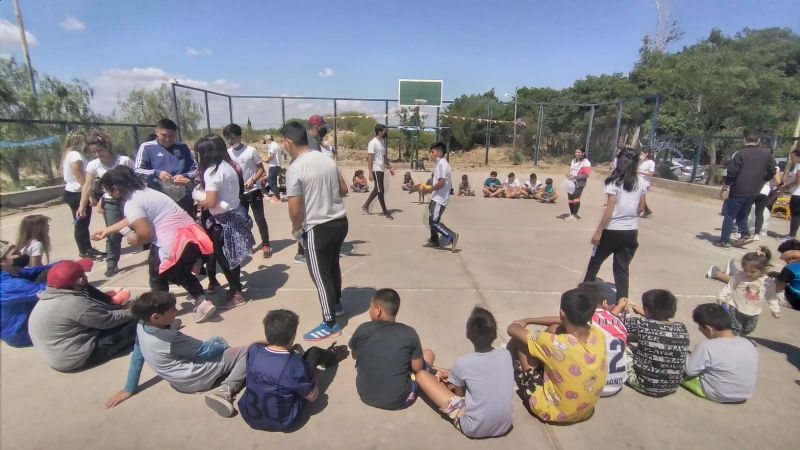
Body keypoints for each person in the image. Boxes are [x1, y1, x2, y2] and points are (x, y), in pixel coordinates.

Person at [93, 166, 216, 322]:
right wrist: (108, 230)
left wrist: (133, 239)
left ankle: (162, 315)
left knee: (157, 277)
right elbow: (133, 219)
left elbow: (144, 234)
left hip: (171, 243)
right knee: (180, 273)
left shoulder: (132, 203)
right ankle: (202, 302)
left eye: (108, 190)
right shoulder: (147, 193)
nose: (108, 194)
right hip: (190, 237)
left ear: (116, 188)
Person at [104, 291, 248, 417]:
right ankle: (226, 390)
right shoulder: (171, 338)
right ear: (156, 317)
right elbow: (208, 351)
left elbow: (137, 357)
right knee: (242, 350)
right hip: (196, 379)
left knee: (217, 345)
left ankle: (233, 369)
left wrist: (129, 388)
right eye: (171, 310)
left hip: (178, 383)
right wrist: (223, 347)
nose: (176, 310)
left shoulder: (141, 325)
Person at [282, 121, 350, 341]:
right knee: (332, 266)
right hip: (339, 222)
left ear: (288, 142)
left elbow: (295, 208)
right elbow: (343, 189)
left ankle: (329, 322)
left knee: (320, 276)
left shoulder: (295, 168)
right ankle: (336, 303)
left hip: (317, 227)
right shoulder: (327, 159)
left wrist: (295, 228)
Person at [506, 288, 607, 424]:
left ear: (562, 314)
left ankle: (530, 373)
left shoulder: (556, 343)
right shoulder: (599, 335)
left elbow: (512, 329)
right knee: (555, 328)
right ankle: (544, 363)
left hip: (552, 412)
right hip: (585, 411)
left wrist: (525, 321)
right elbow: (559, 322)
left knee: (520, 341)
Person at [238, 309, 349, 431]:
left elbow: (258, 346)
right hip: (284, 421)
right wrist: (314, 377)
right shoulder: (296, 367)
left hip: (248, 415)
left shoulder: (254, 350)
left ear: (267, 333)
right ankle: (334, 355)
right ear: (293, 336)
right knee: (313, 352)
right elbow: (313, 397)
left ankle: (292, 354)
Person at [413, 307, 513, 439]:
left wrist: (448, 383)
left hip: (473, 428)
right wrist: (453, 374)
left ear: (468, 333)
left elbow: (460, 398)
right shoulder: (506, 354)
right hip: (505, 425)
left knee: (422, 376)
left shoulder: (463, 363)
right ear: (494, 334)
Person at [28, 259, 136, 371]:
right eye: (83, 274)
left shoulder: (46, 298)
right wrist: (135, 311)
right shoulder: (74, 303)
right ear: (79, 281)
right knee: (137, 322)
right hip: (75, 358)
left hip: (56, 353)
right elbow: (110, 320)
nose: (86, 276)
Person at [195, 134, 255, 307]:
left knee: (223, 258)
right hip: (234, 214)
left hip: (223, 220)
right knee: (232, 256)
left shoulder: (212, 172)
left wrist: (199, 199)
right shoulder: (229, 167)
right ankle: (235, 290)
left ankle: (236, 293)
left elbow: (211, 202)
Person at [349, 288, 434, 410]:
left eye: (370, 307)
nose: (369, 310)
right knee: (429, 354)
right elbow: (418, 368)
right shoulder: (409, 333)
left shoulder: (362, 329)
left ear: (378, 310)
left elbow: (355, 355)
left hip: (365, 394)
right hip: (399, 400)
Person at [583, 149, 646, 300]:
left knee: (595, 262)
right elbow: (641, 208)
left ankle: (584, 295)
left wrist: (598, 232)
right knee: (622, 269)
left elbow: (609, 209)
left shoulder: (614, 182)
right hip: (631, 231)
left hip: (612, 230)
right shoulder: (641, 182)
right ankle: (622, 303)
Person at [77, 131, 135, 276]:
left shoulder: (124, 160)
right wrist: (82, 205)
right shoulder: (93, 165)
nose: (97, 154)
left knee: (140, 227)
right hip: (111, 202)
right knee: (112, 233)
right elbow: (87, 185)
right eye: (94, 152)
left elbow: (136, 179)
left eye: (100, 150)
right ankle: (111, 264)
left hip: (129, 199)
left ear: (108, 146)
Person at [618, 289, 689, 397]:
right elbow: (656, 330)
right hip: (672, 386)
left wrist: (620, 308)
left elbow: (615, 324)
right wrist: (645, 313)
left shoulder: (641, 324)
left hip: (644, 384)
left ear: (646, 310)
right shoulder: (681, 328)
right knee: (654, 340)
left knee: (618, 343)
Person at [682, 303, 758, 403]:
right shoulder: (749, 343)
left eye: (700, 328)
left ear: (709, 329)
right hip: (744, 395)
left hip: (718, 393)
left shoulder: (707, 346)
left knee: (678, 365)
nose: (700, 330)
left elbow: (689, 371)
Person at [715, 130, 776, 248]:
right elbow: (773, 171)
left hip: (739, 188)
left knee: (729, 215)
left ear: (745, 141)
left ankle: (724, 240)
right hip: (754, 190)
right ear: (758, 141)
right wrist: (764, 179)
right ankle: (745, 233)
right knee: (743, 214)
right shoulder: (766, 154)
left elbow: (732, 172)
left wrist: (726, 186)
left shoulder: (740, 154)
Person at [133, 118, 198, 218]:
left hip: (183, 198)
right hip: (158, 199)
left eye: (171, 136)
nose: (168, 139)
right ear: (157, 133)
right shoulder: (147, 147)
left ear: (176, 134)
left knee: (188, 227)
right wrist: (157, 173)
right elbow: (137, 170)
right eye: (164, 135)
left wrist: (185, 176)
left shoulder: (183, 147)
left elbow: (195, 169)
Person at [224, 124, 272, 259]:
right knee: (242, 220)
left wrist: (252, 180)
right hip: (237, 194)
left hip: (254, 191)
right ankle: (247, 243)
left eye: (232, 138)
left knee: (259, 219)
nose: (230, 141)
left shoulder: (251, 151)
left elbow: (261, 169)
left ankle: (266, 244)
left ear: (239, 137)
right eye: (227, 139)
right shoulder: (227, 153)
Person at [712, 247, 780, 335]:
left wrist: (775, 309)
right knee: (736, 327)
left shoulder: (767, 282)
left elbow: (771, 296)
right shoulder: (739, 276)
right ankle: (732, 340)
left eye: (753, 271)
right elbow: (730, 286)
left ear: (763, 270)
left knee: (749, 328)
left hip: (754, 312)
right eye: (745, 270)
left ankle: (739, 338)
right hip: (736, 307)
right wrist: (722, 296)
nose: (748, 273)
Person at [62, 130, 104, 260]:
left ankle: (87, 249)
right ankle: (85, 251)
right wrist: (90, 195)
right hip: (77, 192)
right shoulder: (75, 156)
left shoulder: (69, 154)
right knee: (81, 224)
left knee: (82, 224)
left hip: (73, 191)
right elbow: (80, 176)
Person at [424, 142, 460, 251]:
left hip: (439, 198)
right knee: (432, 220)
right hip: (437, 197)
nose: (430, 154)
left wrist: (429, 189)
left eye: (432, 152)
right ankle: (434, 240)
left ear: (439, 153)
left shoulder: (442, 164)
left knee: (434, 221)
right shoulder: (440, 164)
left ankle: (452, 236)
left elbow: (441, 183)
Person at [361, 124, 394, 220]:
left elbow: (383, 156)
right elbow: (370, 158)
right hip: (376, 169)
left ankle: (365, 206)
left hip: (381, 168)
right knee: (380, 190)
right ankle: (385, 211)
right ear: (379, 131)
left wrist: (389, 167)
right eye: (384, 131)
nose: (386, 132)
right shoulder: (373, 142)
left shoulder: (382, 141)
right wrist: (370, 172)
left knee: (378, 189)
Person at [753, 161, 781, 240]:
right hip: (764, 190)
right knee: (759, 213)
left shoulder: (757, 163)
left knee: (746, 209)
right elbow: (778, 181)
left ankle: (741, 230)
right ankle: (757, 234)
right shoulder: (774, 167)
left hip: (752, 188)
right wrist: (772, 185)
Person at [565, 148, 591, 221]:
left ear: (583, 153)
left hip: (579, 182)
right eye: (576, 152)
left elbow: (586, 174)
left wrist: (575, 177)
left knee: (576, 197)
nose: (576, 153)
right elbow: (571, 170)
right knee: (570, 198)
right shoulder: (573, 160)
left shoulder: (585, 162)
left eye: (579, 152)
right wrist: (568, 174)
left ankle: (574, 215)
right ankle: (571, 214)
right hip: (571, 182)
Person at [264, 134, 284, 204]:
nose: (266, 143)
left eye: (266, 141)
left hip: (273, 165)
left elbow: (271, 156)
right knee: (274, 182)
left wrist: (266, 160)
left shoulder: (272, 145)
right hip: (277, 165)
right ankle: (276, 196)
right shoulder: (277, 145)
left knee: (271, 181)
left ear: (268, 140)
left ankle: (278, 198)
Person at [638, 149, 655, 218]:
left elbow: (651, 174)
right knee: (640, 197)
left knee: (640, 197)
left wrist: (640, 173)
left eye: (642, 153)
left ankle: (644, 210)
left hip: (645, 183)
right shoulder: (641, 162)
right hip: (638, 181)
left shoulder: (651, 162)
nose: (641, 155)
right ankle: (646, 210)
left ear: (647, 154)